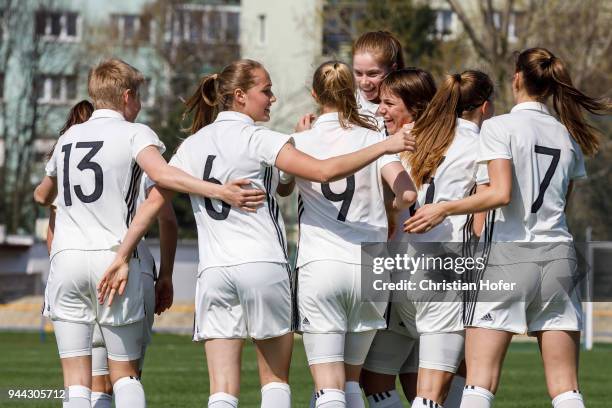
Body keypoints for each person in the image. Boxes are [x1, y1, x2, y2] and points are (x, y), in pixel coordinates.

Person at [98, 59, 415, 408]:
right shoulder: (261, 138)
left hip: (216, 271)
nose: (272, 98)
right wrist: (385, 145)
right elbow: (324, 171)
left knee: (221, 391)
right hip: (266, 265)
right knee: (277, 382)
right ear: (239, 96)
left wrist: (121, 255)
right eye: (265, 91)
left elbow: (153, 202)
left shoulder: (192, 144)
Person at [33, 58, 265, 408]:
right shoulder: (134, 132)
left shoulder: (69, 136)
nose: (139, 105)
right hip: (113, 259)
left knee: (77, 381)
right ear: (127, 96)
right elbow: (165, 176)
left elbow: (42, 194)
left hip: (65, 262)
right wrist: (218, 191)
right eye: (138, 97)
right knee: (124, 374)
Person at [405, 48, 612, 408]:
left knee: (479, 383)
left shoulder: (498, 127)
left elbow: (500, 194)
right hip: (559, 256)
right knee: (566, 389)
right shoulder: (568, 136)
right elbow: (562, 201)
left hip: (510, 256)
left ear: (517, 78)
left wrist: (444, 208)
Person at [280, 61, 416, 408]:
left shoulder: (299, 141)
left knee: (328, 386)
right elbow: (408, 193)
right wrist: (392, 208)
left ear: (314, 94)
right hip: (369, 265)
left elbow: (283, 188)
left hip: (321, 264)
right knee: (351, 381)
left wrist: (297, 138)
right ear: (351, 93)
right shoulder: (375, 139)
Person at [395, 70, 494, 408]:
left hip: (400, 264)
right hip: (445, 267)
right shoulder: (480, 145)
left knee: (382, 378)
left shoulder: (416, 137)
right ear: (485, 107)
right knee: (431, 391)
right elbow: (480, 220)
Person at [359, 68, 437, 408]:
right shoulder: (450, 141)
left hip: (404, 273)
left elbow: (404, 201)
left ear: (415, 108)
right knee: (426, 376)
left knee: (373, 379)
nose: (380, 110)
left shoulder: (399, 150)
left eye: (389, 103)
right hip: (443, 270)